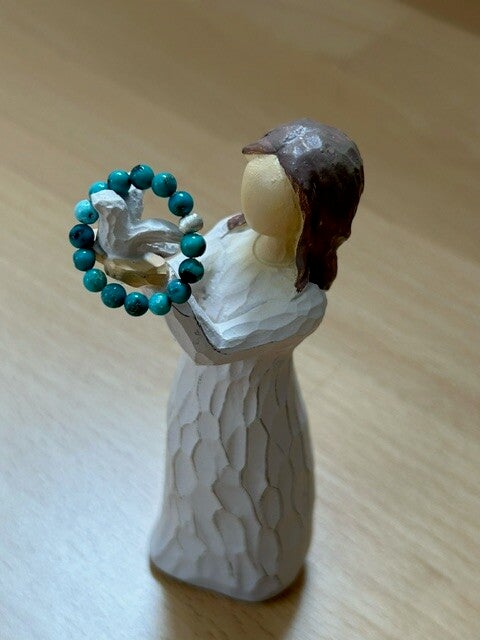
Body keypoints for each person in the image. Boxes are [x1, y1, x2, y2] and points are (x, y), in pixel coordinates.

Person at [150, 119, 364, 601]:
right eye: (256, 173)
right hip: (194, 400)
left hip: (251, 418)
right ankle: (183, 549)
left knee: (245, 489)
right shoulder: (229, 234)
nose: (253, 191)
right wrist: (142, 253)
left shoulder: (302, 302)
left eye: (277, 188)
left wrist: (168, 290)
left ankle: (255, 570)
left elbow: (214, 347)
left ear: (314, 213)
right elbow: (190, 271)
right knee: (192, 474)